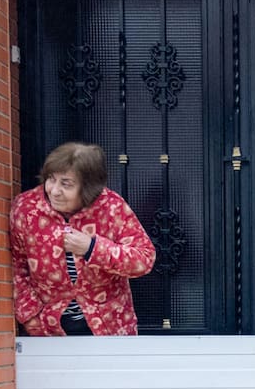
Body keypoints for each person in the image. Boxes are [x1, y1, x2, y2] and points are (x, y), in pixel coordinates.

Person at [8, 142, 156, 336]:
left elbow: (144, 259)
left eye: (66, 184)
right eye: (51, 179)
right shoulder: (26, 208)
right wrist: (30, 315)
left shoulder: (111, 207)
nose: (54, 190)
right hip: (48, 327)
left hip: (108, 324)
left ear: (88, 188)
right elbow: (16, 266)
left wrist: (92, 248)